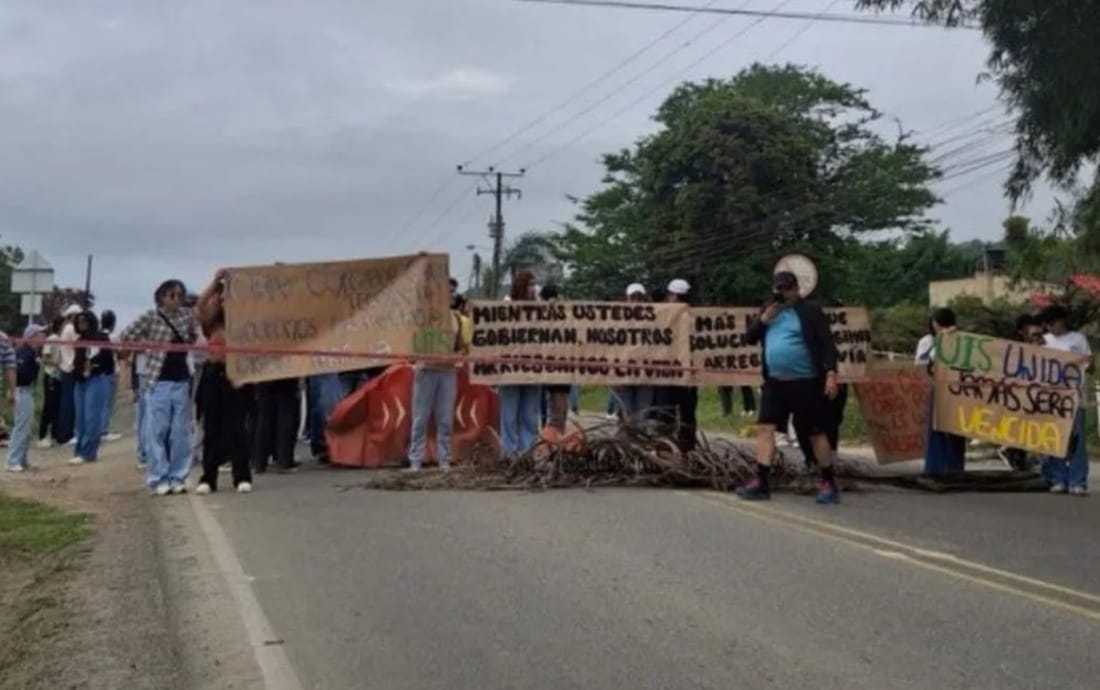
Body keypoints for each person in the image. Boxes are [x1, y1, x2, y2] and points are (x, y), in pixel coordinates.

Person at [737, 271, 841, 504]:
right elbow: (749, 338)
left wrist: (831, 374)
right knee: (765, 428)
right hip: (775, 382)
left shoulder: (810, 312)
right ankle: (762, 481)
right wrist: (764, 320)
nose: (783, 294)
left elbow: (827, 345)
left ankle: (827, 480)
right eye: (779, 290)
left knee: (814, 432)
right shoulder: (769, 310)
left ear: (796, 290)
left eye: (787, 289)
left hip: (806, 382)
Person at [120, 279, 201, 496]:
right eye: (172, 295)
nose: (177, 300)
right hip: (158, 380)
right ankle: (158, 477)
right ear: (162, 297)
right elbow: (125, 335)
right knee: (158, 430)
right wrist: (143, 347)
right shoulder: (151, 317)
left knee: (180, 432)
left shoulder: (188, 316)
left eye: (180, 295)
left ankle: (178, 476)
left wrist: (197, 341)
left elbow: (197, 335)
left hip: (181, 379)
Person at [194, 270, 253, 494]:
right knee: (212, 428)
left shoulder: (245, 326)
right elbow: (200, 306)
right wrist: (215, 283)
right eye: (222, 297)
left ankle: (242, 476)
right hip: (213, 375)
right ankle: (208, 478)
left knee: (237, 428)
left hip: (236, 377)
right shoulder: (212, 324)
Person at [406, 279, 468, 471]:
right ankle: (415, 459)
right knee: (420, 417)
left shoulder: (457, 320)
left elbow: (462, 347)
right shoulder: (423, 317)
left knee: (445, 418)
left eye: (453, 292)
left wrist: (457, 356)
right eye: (447, 291)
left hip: (447, 373)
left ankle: (444, 459)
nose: (451, 295)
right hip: (426, 371)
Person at [1038, 305, 1091, 495]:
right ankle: (1058, 478)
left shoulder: (1078, 339)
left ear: (1061, 321)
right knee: (1054, 438)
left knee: (1076, 440)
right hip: (1051, 398)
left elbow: (1089, 365)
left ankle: (1078, 480)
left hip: (1074, 397)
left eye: (1052, 324)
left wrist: (1081, 362)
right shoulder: (1044, 341)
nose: (1050, 328)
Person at [498, 271, 542, 457]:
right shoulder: (506, 306)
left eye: (534, 284)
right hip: (510, 370)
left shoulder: (540, 308)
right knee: (509, 414)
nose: (532, 289)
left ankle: (527, 453)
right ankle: (509, 454)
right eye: (529, 285)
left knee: (530, 416)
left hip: (533, 369)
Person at [652, 279, 698, 452]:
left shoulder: (694, 317)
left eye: (682, 297)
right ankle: (665, 450)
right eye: (676, 297)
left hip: (688, 374)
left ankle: (688, 450)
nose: (678, 300)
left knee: (687, 415)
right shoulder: (659, 315)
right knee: (665, 413)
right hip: (665, 372)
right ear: (669, 296)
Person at [922, 308, 967, 476]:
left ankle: (936, 468)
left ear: (936, 323)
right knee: (955, 431)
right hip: (960, 392)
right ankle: (955, 468)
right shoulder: (964, 339)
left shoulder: (941, 341)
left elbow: (930, 363)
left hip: (942, 390)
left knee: (938, 430)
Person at [70, 311, 114, 465]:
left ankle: (89, 452)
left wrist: (95, 365)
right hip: (79, 381)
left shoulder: (101, 338)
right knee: (80, 419)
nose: (81, 323)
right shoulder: (79, 340)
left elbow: (109, 362)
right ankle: (80, 450)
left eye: (84, 320)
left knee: (92, 417)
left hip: (96, 379)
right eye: (78, 321)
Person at [611, 283, 656, 426]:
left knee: (642, 416)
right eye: (633, 297)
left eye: (639, 297)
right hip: (623, 375)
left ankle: (639, 445)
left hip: (645, 376)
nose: (636, 300)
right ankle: (625, 446)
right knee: (626, 416)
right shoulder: (615, 318)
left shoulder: (655, 318)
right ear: (627, 299)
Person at [5, 325, 42, 472]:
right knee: (21, 426)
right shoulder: (25, 353)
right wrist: (36, 366)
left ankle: (22, 459)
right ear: (32, 336)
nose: (42, 337)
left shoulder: (29, 352)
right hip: (21, 390)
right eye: (39, 334)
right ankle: (12, 460)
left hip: (25, 390)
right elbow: (21, 374)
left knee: (26, 426)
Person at [55, 304, 82, 445]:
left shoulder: (65, 329)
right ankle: (66, 434)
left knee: (67, 401)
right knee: (69, 403)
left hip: (65, 367)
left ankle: (64, 433)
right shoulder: (71, 329)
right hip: (69, 367)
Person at [36, 317, 64, 449]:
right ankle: (42, 435)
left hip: (58, 376)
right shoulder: (52, 339)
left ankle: (53, 434)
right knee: (49, 406)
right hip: (51, 375)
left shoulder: (61, 339)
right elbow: (45, 358)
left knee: (56, 407)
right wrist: (57, 363)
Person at [98, 310, 122, 442]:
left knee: (101, 402)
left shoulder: (98, 335)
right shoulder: (114, 337)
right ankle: (104, 430)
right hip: (112, 371)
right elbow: (119, 353)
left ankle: (100, 428)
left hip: (100, 373)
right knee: (108, 403)